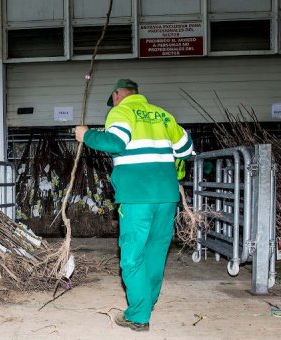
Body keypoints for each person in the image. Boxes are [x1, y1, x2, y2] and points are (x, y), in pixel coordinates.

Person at [74, 79, 193, 332]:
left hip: (137, 196)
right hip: (167, 196)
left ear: (118, 94)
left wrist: (86, 135)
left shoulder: (121, 111)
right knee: (155, 253)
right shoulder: (163, 114)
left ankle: (138, 316)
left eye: (113, 98)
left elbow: (115, 143)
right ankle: (147, 303)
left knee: (132, 256)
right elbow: (186, 149)